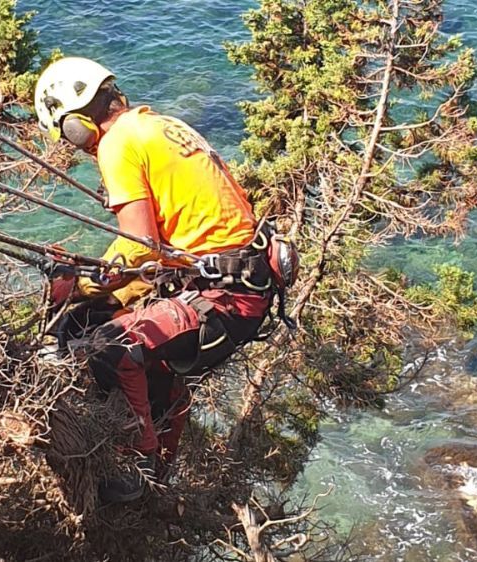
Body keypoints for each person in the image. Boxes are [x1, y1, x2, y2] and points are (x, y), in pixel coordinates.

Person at [35, 57, 288, 503]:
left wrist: (78, 283)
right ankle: (160, 470)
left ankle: (142, 465)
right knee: (92, 324)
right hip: (237, 279)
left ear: (75, 123)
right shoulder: (159, 126)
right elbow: (167, 247)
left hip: (224, 297)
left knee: (110, 348)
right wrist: (103, 289)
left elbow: (138, 248)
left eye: (68, 136)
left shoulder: (117, 144)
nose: (77, 148)